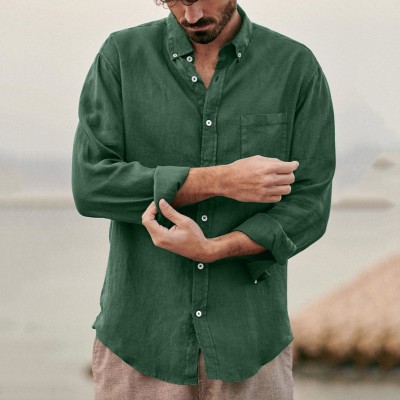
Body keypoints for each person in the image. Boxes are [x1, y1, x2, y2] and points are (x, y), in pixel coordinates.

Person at [71, 0, 336, 399]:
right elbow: (91, 183)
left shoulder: (294, 67)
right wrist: (220, 180)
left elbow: (310, 202)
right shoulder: (121, 57)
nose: (191, 16)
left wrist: (219, 248)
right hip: (140, 344)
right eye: (176, 0)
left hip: (251, 344)